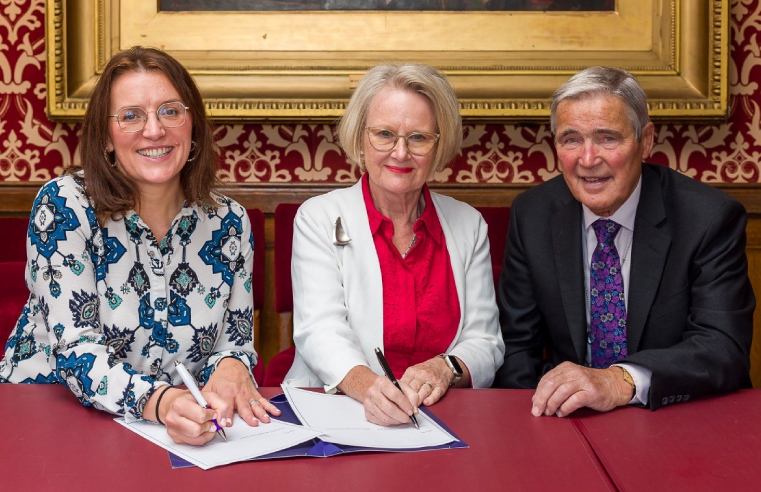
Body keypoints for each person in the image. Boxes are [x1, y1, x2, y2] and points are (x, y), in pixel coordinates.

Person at [0, 46, 279, 445]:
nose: (154, 130)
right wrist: (162, 402)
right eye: (131, 116)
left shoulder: (229, 223)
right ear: (107, 138)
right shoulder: (65, 206)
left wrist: (233, 363)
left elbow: (233, 342)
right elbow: (77, 352)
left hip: (165, 434)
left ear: (193, 126)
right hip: (43, 418)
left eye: (170, 111)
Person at [494, 66, 755, 416]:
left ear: (645, 141)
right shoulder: (534, 214)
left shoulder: (708, 218)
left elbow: (723, 346)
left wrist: (620, 382)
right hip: (571, 419)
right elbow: (516, 349)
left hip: (675, 417)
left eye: (607, 138)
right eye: (571, 139)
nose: (588, 160)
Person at [284, 63, 505, 426]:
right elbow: (320, 331)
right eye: (384, 134)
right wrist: (370, 387)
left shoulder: (469, 225)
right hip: (342, 413)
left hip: (446, 418)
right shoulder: (319, 218)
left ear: (439, 145)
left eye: (418, 138)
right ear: (360, 138)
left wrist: (445, 367)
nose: (400, 153)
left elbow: (485, 342)